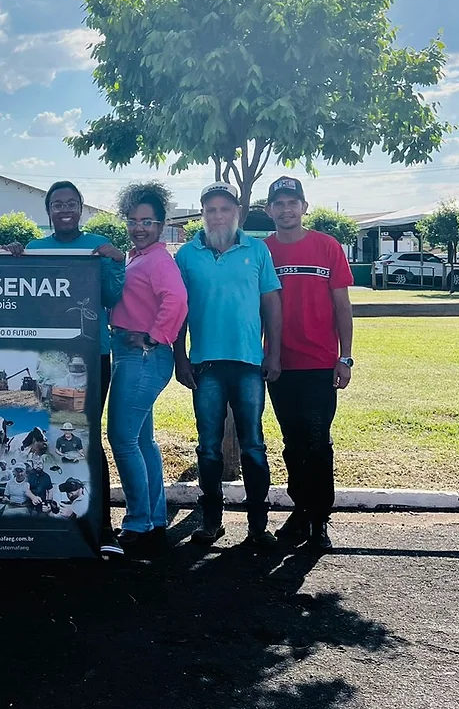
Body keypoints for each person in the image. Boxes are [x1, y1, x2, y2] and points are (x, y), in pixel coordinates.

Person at [174, 182, 282, 550]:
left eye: (225, 209)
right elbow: (178, 309)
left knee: (254, 446)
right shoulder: (187, 255)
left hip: (249, 362)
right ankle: (212, 521)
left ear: (238, 212)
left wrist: (273, 353)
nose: (218, 216)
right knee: (208, 447)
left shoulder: (258, 250)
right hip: (205, 364)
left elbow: (271, 303)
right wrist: (179, 356)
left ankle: (258, 525)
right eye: (211, 210)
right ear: (203, 214)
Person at [27, 180, 126, 555]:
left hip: (90, 357)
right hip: (50, 363)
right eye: (57, 204)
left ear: (81, 208)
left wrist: (116, 261)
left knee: (86, 436)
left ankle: (101, 526)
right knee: (52, 434)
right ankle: (51, 516)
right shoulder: (36, 249)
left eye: (71, 203)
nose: (65, 209)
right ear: (48, 211)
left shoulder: (98, 245)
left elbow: (112, 297)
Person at [264, 176, 354, 551]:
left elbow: (342, 306)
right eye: (279, 203)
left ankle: (319, 520)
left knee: (318, 443)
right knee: (293, 443)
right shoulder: (262, 251)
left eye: (292, 202)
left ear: (304, 206)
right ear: (269, 210)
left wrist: (344, 357)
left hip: (320, 364)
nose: (286, 209)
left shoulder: (327, 246)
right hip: (279, 364)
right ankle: (300, 511)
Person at [107, 182, 188, 558]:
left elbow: (177, 299)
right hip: (132, 355)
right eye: (133, 221)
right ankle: (154, 519)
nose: (139, 228)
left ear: (161, 225)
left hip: (142, 357)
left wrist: (154, 337)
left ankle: (138, 522)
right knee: (141, 441)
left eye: (147, 222)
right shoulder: (138, 257)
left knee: (122, 438)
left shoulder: (157, 260)